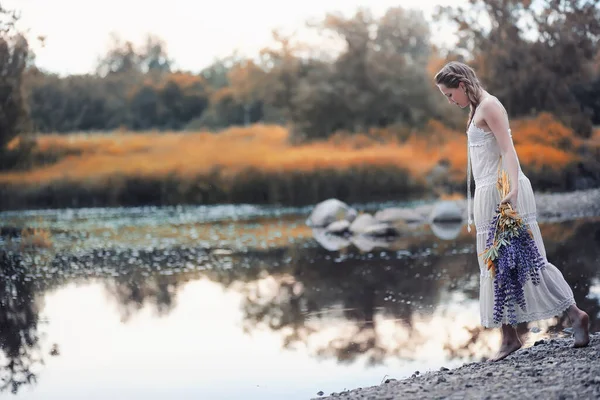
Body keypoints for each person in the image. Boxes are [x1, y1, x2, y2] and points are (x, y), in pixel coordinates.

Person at [434, 61, 590, 361]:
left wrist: (514, 189)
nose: (449, 100)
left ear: (463, 86)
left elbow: (508, 149)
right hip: (487, 192)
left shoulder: (490, 106)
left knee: (529, 261)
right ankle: (511, 336)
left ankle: (573, 315)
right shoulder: (475, 108)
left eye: (449, 94)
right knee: (498, 265)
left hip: (502, 191)